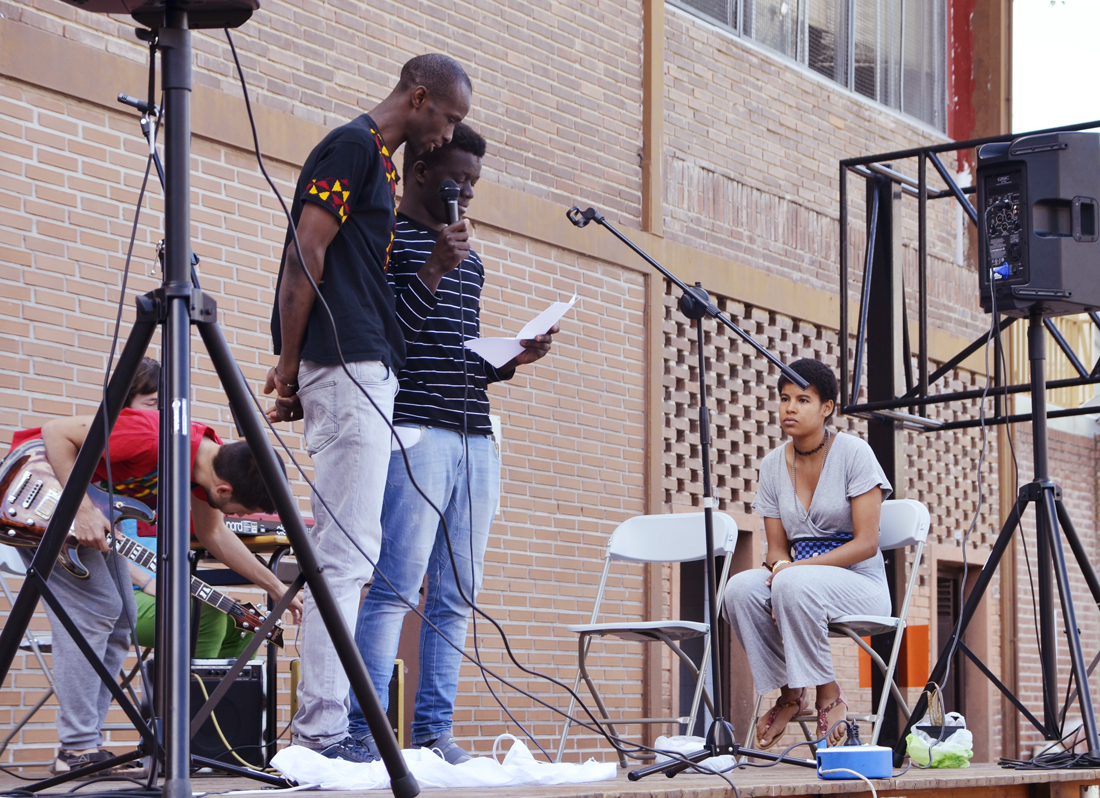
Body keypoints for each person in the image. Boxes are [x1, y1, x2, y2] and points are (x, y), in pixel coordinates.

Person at [264, 53, 473, 762]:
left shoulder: (379, 162)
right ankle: (323, 734)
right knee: (345, 558)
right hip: (348, 370)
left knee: (355, 553)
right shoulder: (353, 146)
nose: (448, 134)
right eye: (448, 117)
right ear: (418, 97)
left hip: (360, 369)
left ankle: (324, 729)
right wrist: (290, 367)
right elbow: (305, 255)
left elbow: (345, 273)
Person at [345, 124, 557, 763]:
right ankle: (363, 734)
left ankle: (434, 734)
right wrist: (434, 267)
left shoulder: (473, 260)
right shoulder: (386, 239)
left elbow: (457, 356)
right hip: (416, 433)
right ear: (420, 174)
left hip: (476, 435)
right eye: (455, 181)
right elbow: (387, 340)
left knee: (458, 594)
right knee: (395, 587)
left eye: (473, 183)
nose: (464, 193)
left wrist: (514, 356)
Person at [9, 391, 302, 775]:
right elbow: (56, 432)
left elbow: (215, 535)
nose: (238, 517)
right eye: (241, 511)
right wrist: (80, 509)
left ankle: (84, 744)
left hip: (89, 515)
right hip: (36, 493)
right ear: (224, 490)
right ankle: (76, 748)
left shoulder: (206, 468)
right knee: (97, 609)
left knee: (123, 618)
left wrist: (276, 587)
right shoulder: (154, 437)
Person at [722, 358, 892, 749]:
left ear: (827, 407)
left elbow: (866, 543)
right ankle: (790, 692)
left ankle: (828, 692)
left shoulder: (854, 453)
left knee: (792, 583)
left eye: (803, 400)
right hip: (798, 579)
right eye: (785, 398)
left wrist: (794, 571)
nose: (790, 408)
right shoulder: (772, 465)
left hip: (859, 581)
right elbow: (777, 548)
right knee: (739, 589)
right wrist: (784, 567)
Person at [118, 358, 254, 659]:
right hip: (120, 590)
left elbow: (214, 532)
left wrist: (273, 586)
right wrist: (147, 581)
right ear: (123, 406)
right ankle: (187, 691)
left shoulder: (178, 466)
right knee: (205, 616)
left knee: (245, 624)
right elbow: (99, 542)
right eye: (151, 404)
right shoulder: (112, 461)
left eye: (165, 408)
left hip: (159, 588)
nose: (159, 416)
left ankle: (216, 693)